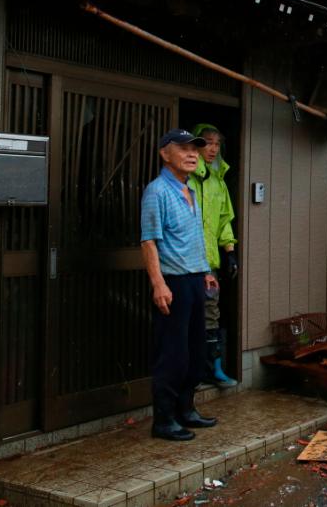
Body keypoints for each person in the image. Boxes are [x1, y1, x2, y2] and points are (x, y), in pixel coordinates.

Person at [140, 128, 219, 441]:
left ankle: (186, 410)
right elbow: (148, 241)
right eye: (184, 148)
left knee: (195, 351)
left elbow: (192, 238)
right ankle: (163, 420)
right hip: (172, 282)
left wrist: (206, 271)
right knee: (172, 354)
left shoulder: (192, 190)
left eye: (194, 149)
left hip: (195, 278)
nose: (192, 154)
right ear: (164, 153)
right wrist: (158, 283)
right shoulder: (157, 191)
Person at [188, 123, 239, 388]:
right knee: (188, 316)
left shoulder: (219, 182)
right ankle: (193, 372)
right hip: (186, 264)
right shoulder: (186, 178)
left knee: (211, 315)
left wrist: (230, 252)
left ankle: (213, 369)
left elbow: (224, 221)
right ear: (196, 144)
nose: (213, 149)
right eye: (208, 142)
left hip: (210, 263)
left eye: (217, 144)